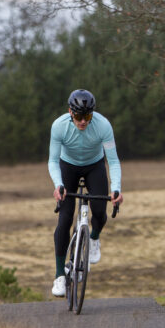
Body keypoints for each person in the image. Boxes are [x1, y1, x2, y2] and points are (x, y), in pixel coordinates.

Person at [48, 88, 124, 297]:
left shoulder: (103, 126)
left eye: (87, 117)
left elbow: (114, 161)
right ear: (70, 112)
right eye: (79, 117)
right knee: (64, 220)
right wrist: (58, 184)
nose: (83, 122)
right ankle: (59, 276)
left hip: (94, 166)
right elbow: (53, 161)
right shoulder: (59, 126)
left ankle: (94, 237)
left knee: (100, 211)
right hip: (67, 166)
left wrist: (116, 188)